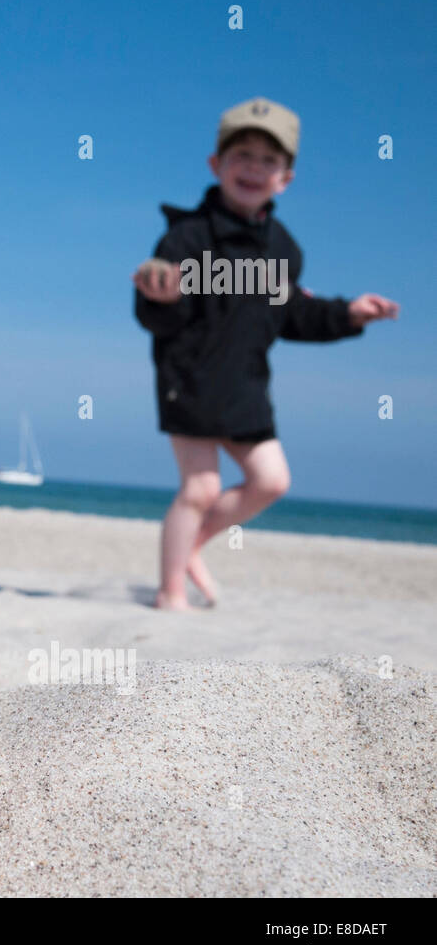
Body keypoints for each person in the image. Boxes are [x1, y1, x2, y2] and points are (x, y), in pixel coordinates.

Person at [133, 97, 399, 610]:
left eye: (268, 160)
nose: (254, 168)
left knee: (272, 481)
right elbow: (157, 315)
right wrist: (158, 296)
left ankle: (191, 549)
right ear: (216, 165)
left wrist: (350, 314)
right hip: (187, 380)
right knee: (201, 489)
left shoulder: (285, 250)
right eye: (242, 156)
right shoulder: (184, 238)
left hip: (247, 387)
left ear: (286, 179)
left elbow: (295, 314)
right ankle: (170, 594)